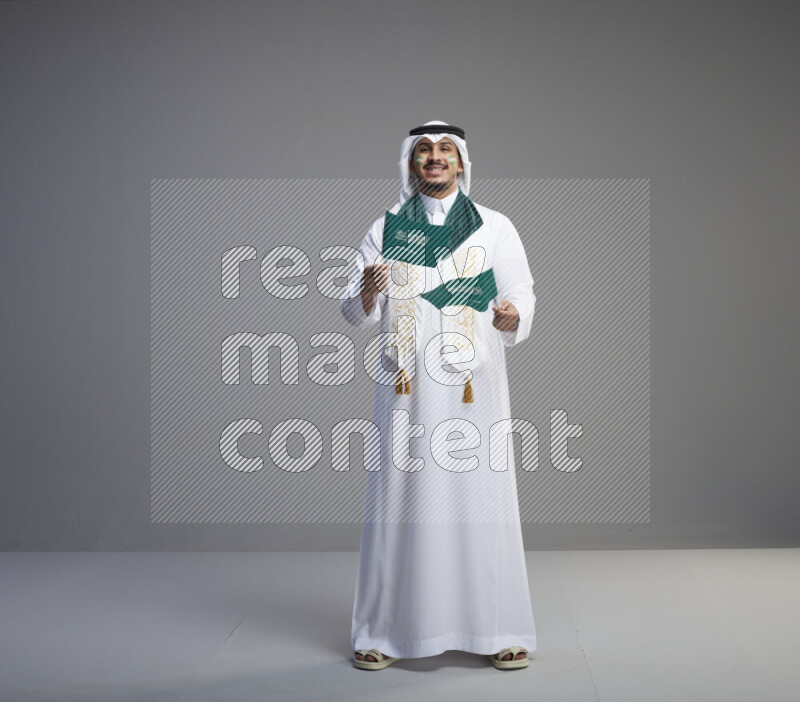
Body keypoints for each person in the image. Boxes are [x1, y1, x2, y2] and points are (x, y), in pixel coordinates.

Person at [339, 121, 537, 671]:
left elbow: (520, 290)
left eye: (445, 150)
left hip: (475, 389)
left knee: (482, 501)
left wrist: (511, 311)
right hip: (407, 390)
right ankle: (382, 631)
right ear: (409, 163)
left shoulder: (493, 227)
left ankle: (498, 628)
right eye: (424, 151)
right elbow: (353, 312)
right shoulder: (386, 228)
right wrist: (367, 290)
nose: (434, 158)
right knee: (398, 504)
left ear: (461, 162)